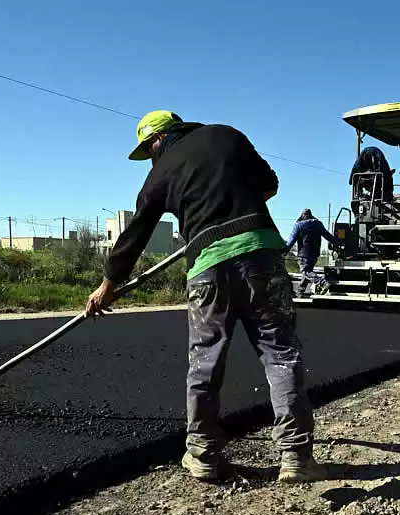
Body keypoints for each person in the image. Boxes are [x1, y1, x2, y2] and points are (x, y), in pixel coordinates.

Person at [85, 110, 322, 483]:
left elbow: (135, 234)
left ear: (157, 140)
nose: (150, 158)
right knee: (280, 355)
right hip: (261, 255)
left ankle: (204, 455)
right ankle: (296, 458)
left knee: (205, 363)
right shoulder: (228, 135)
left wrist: (107, 286)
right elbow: (270, 185)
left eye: (148, 150)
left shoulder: (158, 174)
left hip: (208, 266)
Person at [285, 209, 336, 296]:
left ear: (302, 216)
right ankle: (300, 292)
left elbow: (291, 241)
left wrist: (284, 251)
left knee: (306, 271)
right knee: (308, 272)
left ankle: (323, 283)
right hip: (315, 254)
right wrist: (337, 242)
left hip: (304, 254)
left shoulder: (298, 225)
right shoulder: (318, 224)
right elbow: (327, 235)